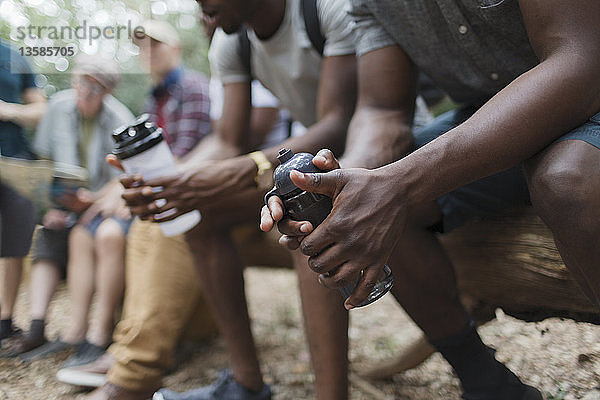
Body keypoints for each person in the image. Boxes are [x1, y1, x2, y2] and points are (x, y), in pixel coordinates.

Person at [262, 1, 600, 399]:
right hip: (486, 111)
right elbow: (382, 110)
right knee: (372, 200)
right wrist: (347, 186)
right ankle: (484, 381)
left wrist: (398, 184)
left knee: (565, 181)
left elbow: (581, 60)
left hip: (589, 91)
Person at [53, 20, 217, 400]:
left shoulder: (192, 87)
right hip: (155, 189)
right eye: (142, 48)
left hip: (184, 190)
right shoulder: (152, 98)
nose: (148, 53)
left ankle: (128, 355)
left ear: (176, 49)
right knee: (94, 230)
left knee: (134, 228)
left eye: (156, 46)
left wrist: (136, 189)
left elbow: (185, 155)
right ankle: (101, 340)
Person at [8, 55, 135, 367]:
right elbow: (44, 161)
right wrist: (49, 206)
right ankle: (43, 329)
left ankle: (96, 332)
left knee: (88, 235)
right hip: (67, 204)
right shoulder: (58, 107)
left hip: (102, 205)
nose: (83, 90)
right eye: (79, 81)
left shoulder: (120, 117)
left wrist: (94, 199)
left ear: (107, 91)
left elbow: (127, 174)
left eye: (93, 86)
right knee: (51, 233)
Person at [0, 39, 46, 345]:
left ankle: (4, 321)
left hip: (14, 159)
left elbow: (39, 108)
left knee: (12, 242)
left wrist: (7, 110)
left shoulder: (14, 56)